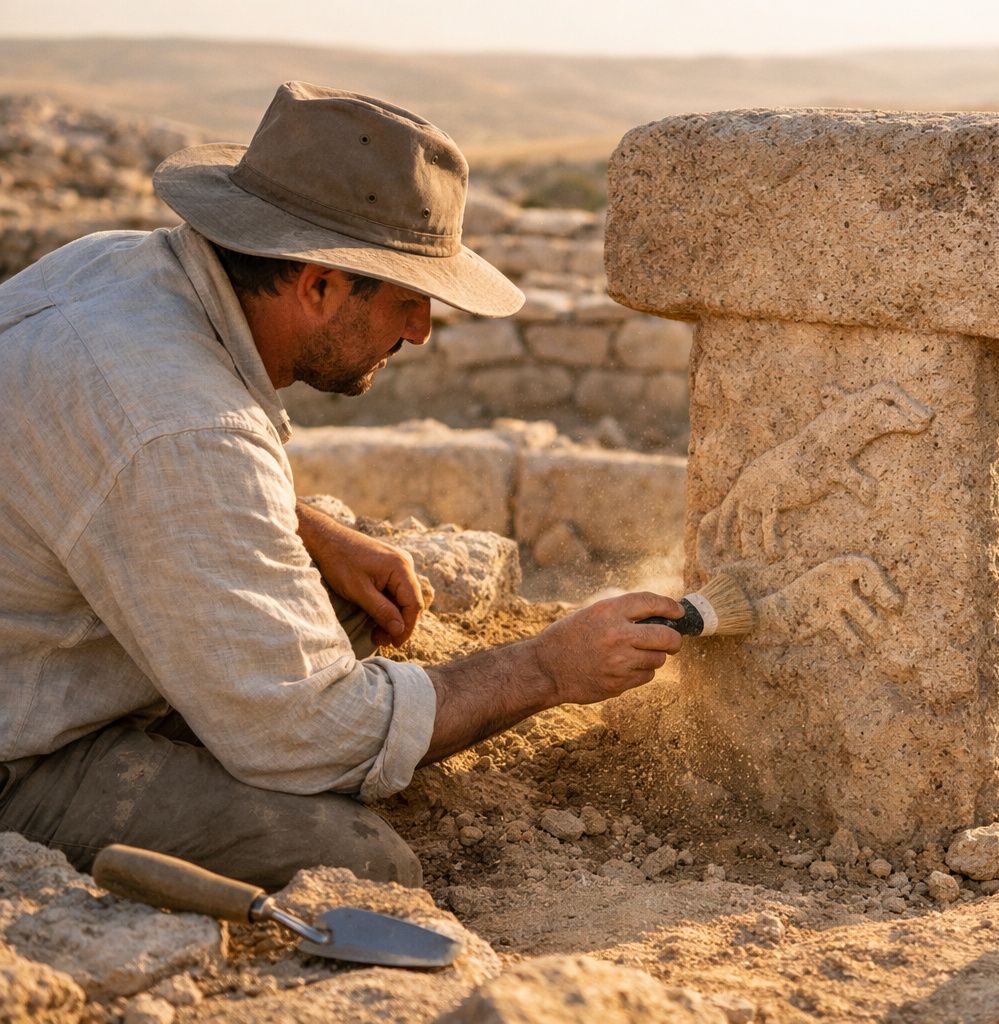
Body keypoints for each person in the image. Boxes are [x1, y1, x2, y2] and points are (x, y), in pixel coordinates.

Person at [0, 81, 684, 889]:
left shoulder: (118, 267)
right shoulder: (180, 425)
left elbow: (107, 457)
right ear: (317, 286)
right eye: (407, 300)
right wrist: (545, 669)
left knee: (350, 608)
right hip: (21, 747)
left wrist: (309, 530)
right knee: (361, 861)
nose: (421, 332)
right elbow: (311, 737)